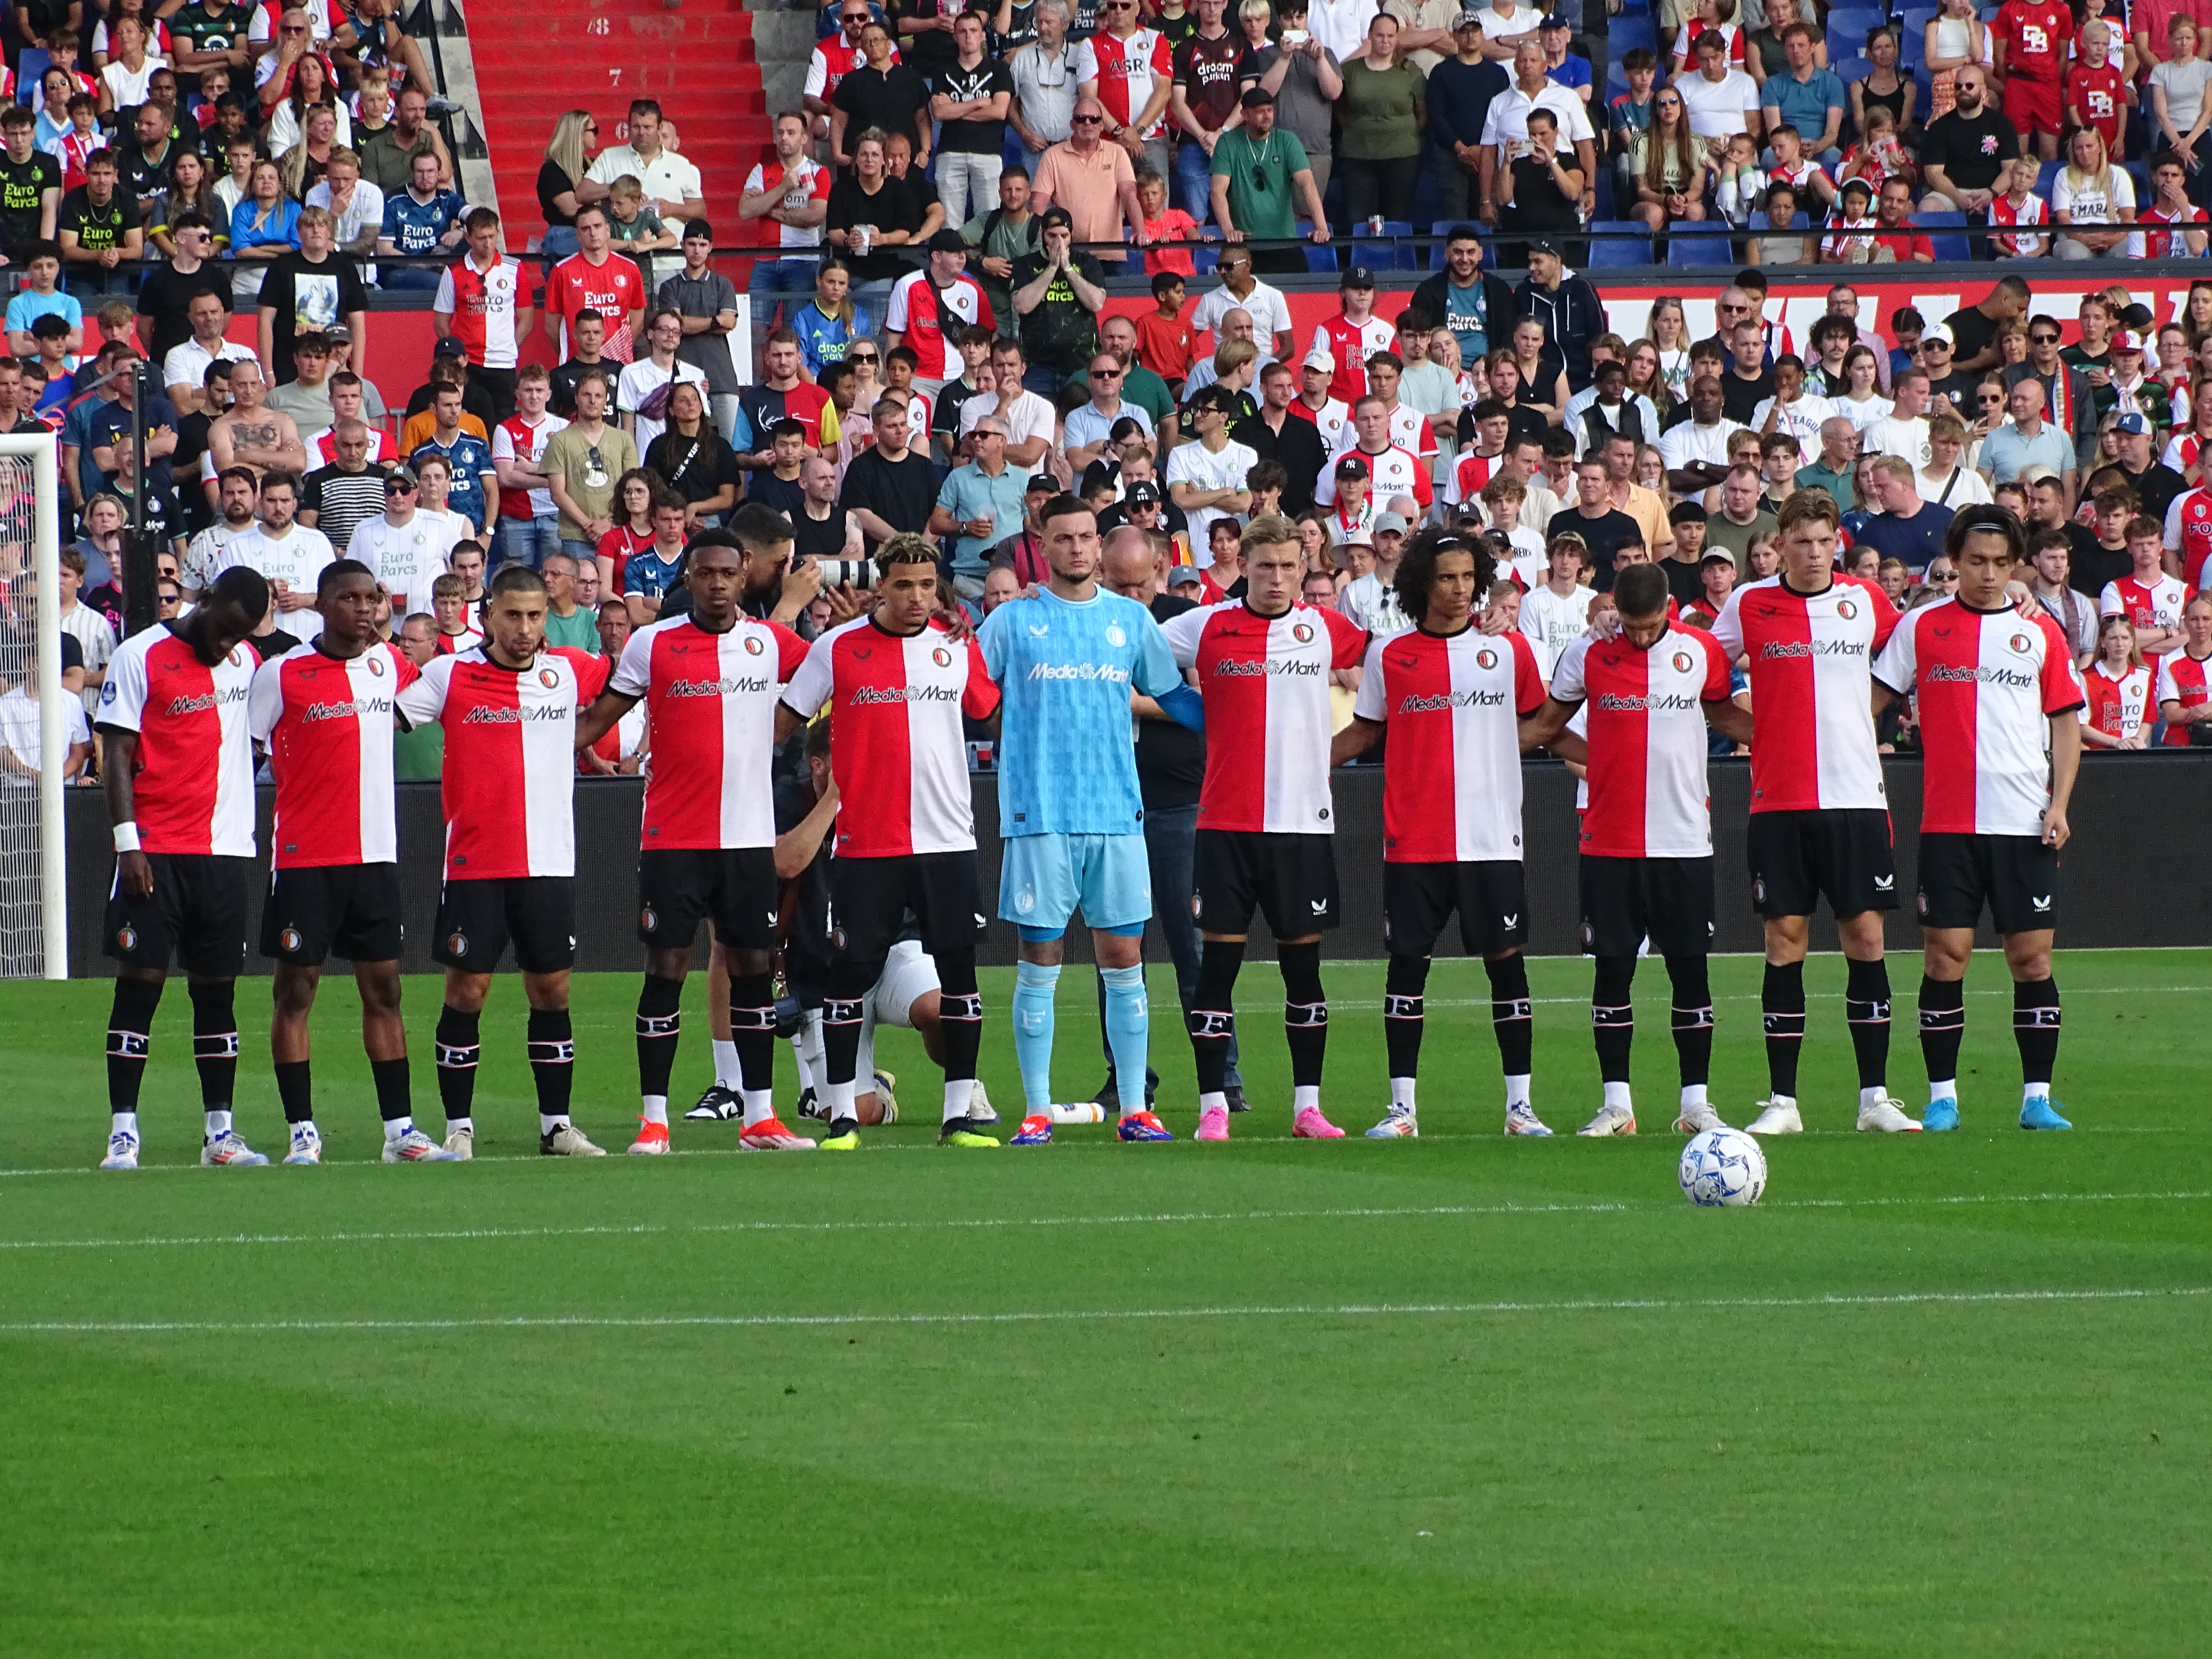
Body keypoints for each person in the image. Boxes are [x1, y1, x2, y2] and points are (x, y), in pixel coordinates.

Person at [570, 515, 816, 1155]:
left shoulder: (771, 642)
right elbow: (600, 718)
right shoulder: (652, 644)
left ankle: (760, 1117)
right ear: (689, 576)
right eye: (704, 573)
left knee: (754, 968)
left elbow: (839, 664)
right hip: (672, 838)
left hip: (746, 837)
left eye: (727, 575)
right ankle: (654, 1120)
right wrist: (527, 752)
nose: (715, 585)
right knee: (667, 968)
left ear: (744, 579)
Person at [970, 497, 1200, 1144]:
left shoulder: (1130, 620)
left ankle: (1135, 1108)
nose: (1076, 548)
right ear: (1041, 547)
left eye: (1085, 537)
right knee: (1040, 957)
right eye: (1063, 538)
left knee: (1124, 957)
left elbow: (1172, 694)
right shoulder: (1013, 623)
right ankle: (1037, 1110)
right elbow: (972, 690)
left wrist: (1233, 724)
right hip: (1039, 814)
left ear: (1099, 546)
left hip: (1117, 814)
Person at [771, 532, 1003, 1148]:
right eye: (904, 585)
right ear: (881, 585)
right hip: (868, 841)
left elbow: (990, 711)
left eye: (927, 585)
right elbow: (782, 719)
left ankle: (959, 1113)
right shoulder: (838, 647)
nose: (917, 596)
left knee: (959, 973)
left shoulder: (956, 643)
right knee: (850, 973)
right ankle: (843, 1115)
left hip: (948, 838)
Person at [1321, 527, 1545, 1135]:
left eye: (1469, 577)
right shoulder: (1390, 655)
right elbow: (1365, 732)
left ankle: (1520, 1108)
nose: (1459, 588)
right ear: (1423, 581)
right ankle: (1403, 1109)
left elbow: (1541, 722)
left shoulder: (1510, 650)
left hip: (1493, 838)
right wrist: (1307, 765)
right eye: (1447, 577)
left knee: (1506, 964)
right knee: (1407, 968)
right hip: (1414, 839)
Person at [1711, 488, 1918, 1135]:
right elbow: (1698, 672)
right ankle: (1783, 1103)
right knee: (1783, 943)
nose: (1814, 553)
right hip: (1782, 802)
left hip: (1857, 798)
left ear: (1837, 543)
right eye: (1801, 542)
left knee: (1867, 940)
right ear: (1782, 545)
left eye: (1825, 542)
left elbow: (1924, 644)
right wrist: (1755, 727)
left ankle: (1874, 1099)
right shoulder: (1750, 604)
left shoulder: (1866, 601)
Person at [1870, 506, 2082, 1132]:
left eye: (1999, 563)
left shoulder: (2040, 632)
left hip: (2024, 821)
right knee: (1945, 956)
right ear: (1954, 562)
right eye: (1976, 562)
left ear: (2016, 564)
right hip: (1949, 822)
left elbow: (2066, 723)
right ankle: (1942, 1098)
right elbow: (1872, 702)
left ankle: (2036, 1098)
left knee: (2032, 959)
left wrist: (2061, 804)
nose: (1988, 575)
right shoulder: (1921, 627)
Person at [1157, 515, 1368, 1140]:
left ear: (1303, 568)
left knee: (1303, 974)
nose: (1277, 578)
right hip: (1225, 827)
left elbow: (1401, 655)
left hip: (1302, 827)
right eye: (1265, 566)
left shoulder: (1328, 629)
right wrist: (1194, 712)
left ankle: (1308, 1108)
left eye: (1288, 566)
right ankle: (1212, 1107)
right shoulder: (1205, 625)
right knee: (1218, 972)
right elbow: (1133, 655)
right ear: (1242, 565)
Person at [1517, 558, 1746, 1135]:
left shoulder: (1701, 652)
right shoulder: (1589, 653)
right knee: (1612, 972)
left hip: (1685, 840)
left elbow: (1722, 711)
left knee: (1690, 972)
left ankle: (1696, 1104)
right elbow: (1547, 724)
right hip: (1610, 840)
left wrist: (1784, 732)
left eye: (1650, 627)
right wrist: (1603, 759)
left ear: (1667, 610)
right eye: (1632, 627)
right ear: (1616, 611)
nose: (1641, 638)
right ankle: (1617, 1105)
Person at [393, 564, 607, 1157]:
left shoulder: (569, 670)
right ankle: (458, 1127)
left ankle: (556, 1126)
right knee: (467, 994)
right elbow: (386, 714)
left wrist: (584, 734)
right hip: (474, 863)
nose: (525, 627)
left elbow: (627, 687)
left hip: (548, 863)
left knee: (553, 992)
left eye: (536, 616)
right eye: (512, 615)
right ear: (487, 614)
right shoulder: (449, 674)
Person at [246, 559, 454, 1163]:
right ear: (323, 605)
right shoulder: (281, 674)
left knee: (385, 991)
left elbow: (446, 690)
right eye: (351, 599)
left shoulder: (390, 665)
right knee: (295, 993)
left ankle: (400, 1131)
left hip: (375, 857)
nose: (366, 610)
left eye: (374, 599)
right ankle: (302, 1132)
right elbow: (245, 752)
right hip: (306, 859)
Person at [93, 565, 272, 1170]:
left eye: (240, 635)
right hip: (156, 850)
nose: (228, 645)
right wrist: (128, 843)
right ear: (207, 599)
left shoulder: (246, 663)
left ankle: (220, 1134)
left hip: (223, 852)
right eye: (224, 629)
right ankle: (123, 1132)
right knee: (139, 985)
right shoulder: (139, 655)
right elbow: (115, 753)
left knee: (216, 991)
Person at [256, 205, 368, 389]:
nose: (316, 231)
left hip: (334, 365)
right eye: (309, 226)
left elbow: (358, 323)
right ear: (299, 233)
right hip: (288, 365)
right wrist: (268, 372)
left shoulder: (345, 267)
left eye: (322, 225)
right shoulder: (282, 267)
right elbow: (265, 320)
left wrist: (356, 374)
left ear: (329, 232)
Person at [738, 114, 832, 317]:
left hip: (802, 259)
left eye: (791, 133)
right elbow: (745, 211)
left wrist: (767, 207)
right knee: (755, 328)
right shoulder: (762, 170)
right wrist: (783, 188)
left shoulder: (818, 172)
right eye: (780, 132)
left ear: (804, 138)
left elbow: (815, 217)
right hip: (766, 259)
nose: (784, 138)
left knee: (796, 329)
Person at [542, 369, 637, 562]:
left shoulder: (623, 439)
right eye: (587, 395)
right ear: (576, 398)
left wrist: (609, 522)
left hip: (617, 531)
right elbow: (558, 493)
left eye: (599, 396)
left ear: (606, 400)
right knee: (577, 591)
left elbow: (632, 488)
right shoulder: (560, 440)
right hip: (575, 536)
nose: (593, 401)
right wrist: (589, 526)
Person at [540, 206, 649, 365]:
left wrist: (621, 347)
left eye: (597, 226)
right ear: (578, 235)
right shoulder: (562, 271)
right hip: (577, 363)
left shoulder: (629, 268)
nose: (593, 233)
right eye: (586, 229)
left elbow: (638, 318)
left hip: (619, 362)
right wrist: (571, 354)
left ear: (607, 229)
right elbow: (552, 324)